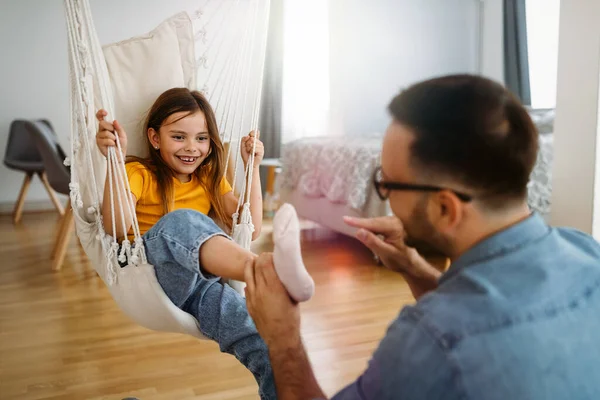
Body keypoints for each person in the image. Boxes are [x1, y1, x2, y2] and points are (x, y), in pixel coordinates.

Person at [244, 74, 600, 400]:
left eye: (387, 184)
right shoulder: (586, 252)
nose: (386, 197)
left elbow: (463, 330)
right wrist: (415, 269)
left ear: (445, 209)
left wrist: (284, 339)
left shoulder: (430, 341)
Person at [95, 87, 315, 400]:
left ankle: (266, 275)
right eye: (179, 137)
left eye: (201, 138)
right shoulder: (138, 172)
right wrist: (115, 163)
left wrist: (251, 166)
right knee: (181, 221)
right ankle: (267, 272)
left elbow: (247, 227)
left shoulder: (208, 175)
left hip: (200, 288)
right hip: (148, 269)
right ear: (155, 138)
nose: (192, 148)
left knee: (266, 341)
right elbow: (115, 227)